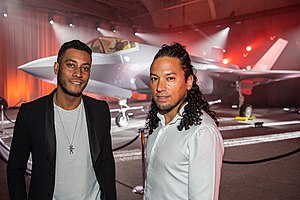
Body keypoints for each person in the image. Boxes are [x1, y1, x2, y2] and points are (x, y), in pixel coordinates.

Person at [7, 40, 116, 200]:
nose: (78, 74)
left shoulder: (100, 110)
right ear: (57, 68)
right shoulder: (31, 113)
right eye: (71, 65)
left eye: (85, 68)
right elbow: (15, 169)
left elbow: (106, 162)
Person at [143, 42, 224, 200]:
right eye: (154, 79)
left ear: (189, 82)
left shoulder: (202, 133)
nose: (160, 87)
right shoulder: (157, 123)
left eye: (170, 78)